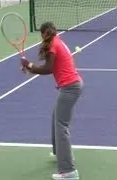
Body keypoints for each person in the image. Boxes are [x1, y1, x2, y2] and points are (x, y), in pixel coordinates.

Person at [21, 21, 83, 180]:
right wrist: (31, 67)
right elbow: (49, 66)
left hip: (70, 88)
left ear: (44, 34)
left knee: (61, 127)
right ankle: (60, 153)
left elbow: (48, 69)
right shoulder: (57, 41)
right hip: (72, 86)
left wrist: (29, 65)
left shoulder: (53, 45)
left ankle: (69, 171)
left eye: (42, 36)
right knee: (56, 119)